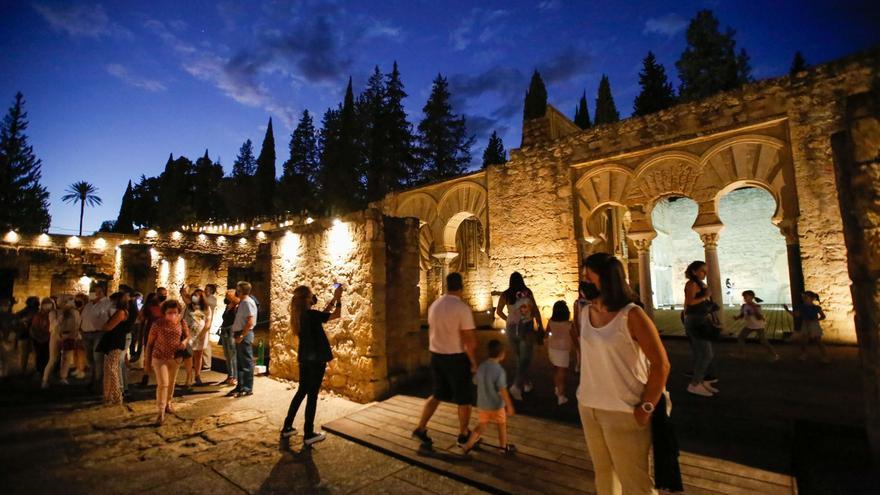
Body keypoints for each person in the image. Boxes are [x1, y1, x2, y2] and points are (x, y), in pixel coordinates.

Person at [577, 253, 671, 495]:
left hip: (624, 411)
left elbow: (661, 364)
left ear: (608, 280)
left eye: (589, 277)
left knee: (634, 482)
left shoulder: (632, 315)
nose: (584, 281)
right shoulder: (584, 314)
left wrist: (647, 406)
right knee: (604, 473)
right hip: (589, 407)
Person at [412, 272, 478, 448]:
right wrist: (473, 362)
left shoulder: (435, 306)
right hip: (456, 358)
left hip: (436, 356)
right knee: (464, 399)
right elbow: (468, 339)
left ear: (447, 286)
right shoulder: (462, 309)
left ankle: (421, 427)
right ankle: (464, 434)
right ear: (461, 287)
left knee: (437, 394)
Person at [280, 284, 343, 445]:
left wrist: (333, 299)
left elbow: (322, 315)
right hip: (316, 361)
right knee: (312, 395)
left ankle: (287, 426)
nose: (313, 297)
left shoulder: (300, 315)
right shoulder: (310, 314)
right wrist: (339, 299)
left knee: (302, 391)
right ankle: (309, 433)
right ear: (307, 299)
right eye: (311, 295)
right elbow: (336, 314)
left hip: (305, 359)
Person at [461, 339, 516, 454]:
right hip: (496, 405)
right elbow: (503, 390)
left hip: (482, 404)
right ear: (501, 354)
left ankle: (468, 445)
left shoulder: (481, 367)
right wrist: (509, 406)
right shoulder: (499, 371)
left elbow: (475, 381)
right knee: (501, 425)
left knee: (481, 425)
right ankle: (503, 446)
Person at [495, 272, 544, 401]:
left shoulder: (506, 294)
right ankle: (516, 386)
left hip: (511, 328)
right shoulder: (527, 293)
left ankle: (526, 383)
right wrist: (539, 324)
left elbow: (498, 311)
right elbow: (534, 310)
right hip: (525, 327)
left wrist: (508, 318)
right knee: (525, 359)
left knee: (519, 358)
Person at [144, 300, 190, 425]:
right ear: (164, 312)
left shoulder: (182, 322)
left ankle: (168, 402)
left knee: (171, 382)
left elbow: (187, 336)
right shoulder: (158, 324)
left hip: (175, 358)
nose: (172, 315)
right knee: (163, 383)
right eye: (169, 312)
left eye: (175, 312)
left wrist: (184, 343)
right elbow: (150, 343)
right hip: (159, 357)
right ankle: (160, 411)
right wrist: (146, 361)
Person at [682, 261, 719, 397]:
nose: (705, 273)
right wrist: (705, 295)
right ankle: (695, 384)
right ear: (693, 272)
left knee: (702, 353)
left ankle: (701, 381)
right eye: (702, 271)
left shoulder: (699, 284)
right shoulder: (691, 284)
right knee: (706, 354)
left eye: (706, 271)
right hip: (695, 321)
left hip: (701, 320)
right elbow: (690, 302)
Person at [42, 296, 81, 389]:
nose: (66, 304)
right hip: (56, 336)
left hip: (70, 336)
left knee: (67, 358)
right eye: (64, 302)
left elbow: (77, 324)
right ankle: (45, 380)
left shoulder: (74, 312)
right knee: (53, 359)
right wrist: (62, 314)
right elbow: (53, 325)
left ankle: (63, 377)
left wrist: (74, 334)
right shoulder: (53, 312)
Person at [80, 286, 114, 391]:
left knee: (97, 358)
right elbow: (83, 317)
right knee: (89, 358)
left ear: (101, 292)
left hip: (98, 334)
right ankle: (92, 379)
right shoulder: (89, 304)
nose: (93, 294)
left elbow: (112, 318)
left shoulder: (108, 303)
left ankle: (99, 383)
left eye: (95, 292)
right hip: (86, 334)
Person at [98, 292, 130, 405]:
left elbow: (108, 326)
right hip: (112, 341)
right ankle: (107, 396)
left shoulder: (121, 312)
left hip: (115, 342)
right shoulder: (119, 312)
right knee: (107, 369)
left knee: (112, 369)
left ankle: (117, 397)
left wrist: (103, 321)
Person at [229, 281, 257, 397]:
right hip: (240, 334)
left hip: (244, 335)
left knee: (246, 362)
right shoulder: (243, 302)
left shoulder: (247, 302)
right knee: (240, 362)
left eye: (237, 289)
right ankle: (240, 386)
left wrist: (241, 335)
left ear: (240, 290)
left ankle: (247, 388)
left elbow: (250, 321)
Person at [784, 291, 829, 363]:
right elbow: (796, 315)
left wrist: (816, 319)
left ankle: (825, 356)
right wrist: (787, 310)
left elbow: (823, 316)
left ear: (811, 298)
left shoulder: (816, 307)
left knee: (818, 341)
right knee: (803, 341)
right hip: (805, 324)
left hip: (814, 325)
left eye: (806, 297)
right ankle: (804, 354)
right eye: (804, 297)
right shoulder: (802, 307)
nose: (804, 298)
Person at [734, 290, 778, 361]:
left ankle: (774, 355)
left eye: (746, 296)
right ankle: (741, 354)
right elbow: (742, 315)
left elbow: (759, 317)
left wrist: (754, 309)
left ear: (751, 297)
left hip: (759, 326)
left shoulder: (757, 306)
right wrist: (737, 318)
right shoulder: (744, 306)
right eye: (744, 297)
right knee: (740, 338)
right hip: (749, 325)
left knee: (763, 341)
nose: (744, 298)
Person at [547, 300, 573, 405]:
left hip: (552, 348)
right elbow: (574, 337)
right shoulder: (569, 324)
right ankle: (561, 397)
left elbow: (547, 332)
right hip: (563, 350)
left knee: (556, 370)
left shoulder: (551, 322)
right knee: (562, 374)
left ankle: (557, 389)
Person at [184, 288, 211, 386]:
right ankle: (189, 376)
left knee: (198, 355)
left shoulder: (206, 308)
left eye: (197, 295)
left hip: (201, 335)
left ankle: (197, 375)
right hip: (189, 334)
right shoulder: (189, 307)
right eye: (194, 295)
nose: (195, 297)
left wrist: (202, 334)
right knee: (188, 355)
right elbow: (185, 319)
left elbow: (207, 323)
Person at [138, 293, 162, 386]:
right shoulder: (161, 308)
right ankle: (159, 377)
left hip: (150, 332)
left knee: (148, 355)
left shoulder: (147, 308)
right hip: (158, 333)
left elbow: (141, 318)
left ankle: (146, 375)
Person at [15, 296, 40, 375]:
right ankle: (26, 370)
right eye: (36, 301)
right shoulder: (26, 311)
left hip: (32, 335)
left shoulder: (36, 311)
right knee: (27, 353)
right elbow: (16, 320)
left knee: (30, 353)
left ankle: (29, 369)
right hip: (26, 334)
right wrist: (24, 321)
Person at [219, 290, 239, 386]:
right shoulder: (228, 306)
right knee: (227, 355)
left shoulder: (236, 307)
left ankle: (235, 377)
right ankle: (229, 375)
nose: (226, 298)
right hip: (224, 330)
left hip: (231, 331)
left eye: (228, 296)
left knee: (233, 355)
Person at [29, 298, 53, 377]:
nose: (47, 306)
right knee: (39, 356)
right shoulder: (38, 315)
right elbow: (34, 327)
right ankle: (39, 371)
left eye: (49, 304)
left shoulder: (53, 314)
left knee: (48, 356)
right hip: (39, 339)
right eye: (45, 304)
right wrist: (37, 337)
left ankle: (47, 372)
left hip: (49, 338)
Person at [202, 284, 218, 371]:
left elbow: (206, 304)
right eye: (205, 288)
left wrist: (203, 296)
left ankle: (207, 364)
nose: (205, 290)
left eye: (207, 289)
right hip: (200, 322)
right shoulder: (203, 297)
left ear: (211, 291)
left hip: (206, 323)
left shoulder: (213, 299)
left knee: (206, 343)